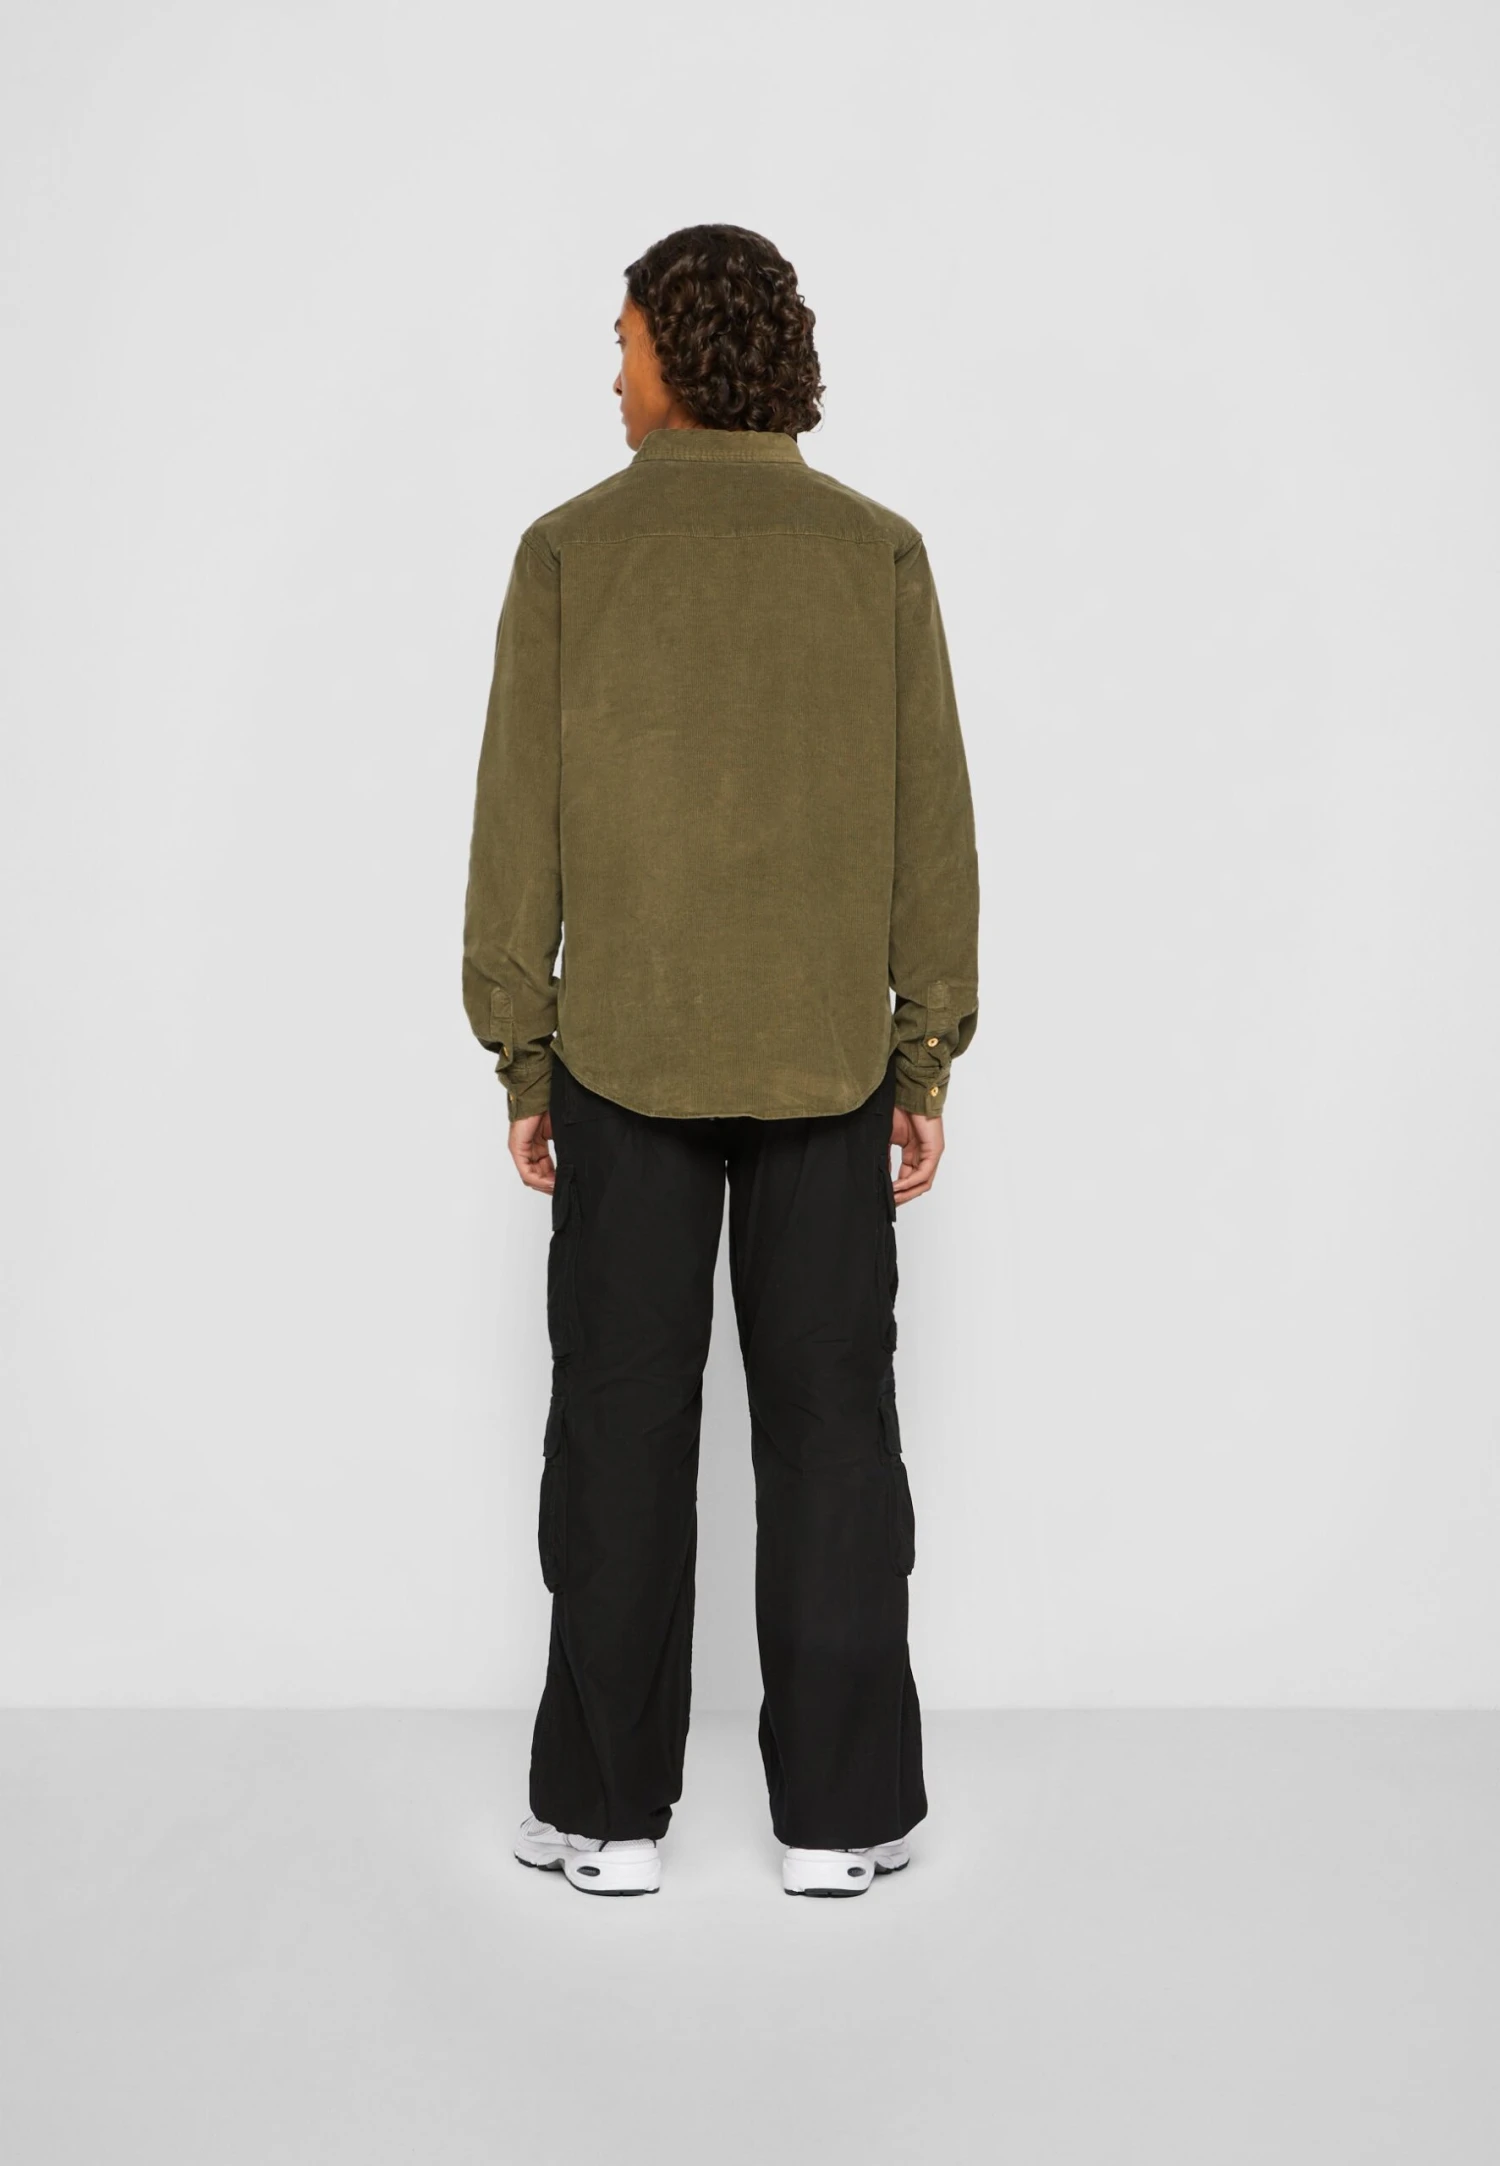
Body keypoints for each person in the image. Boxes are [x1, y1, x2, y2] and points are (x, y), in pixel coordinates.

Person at [462, 224, 980, 1898]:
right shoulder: (878, 552)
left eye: (621, 338)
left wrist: (525, 1057)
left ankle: (607, 1816)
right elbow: (934, 827)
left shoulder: (569, 552)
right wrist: (924, 1053)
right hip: (832, 1060)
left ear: (681, 352)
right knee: (835, 1437)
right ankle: (842, 1818)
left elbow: (516, 833)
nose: (609, 369)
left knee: (619, 1430)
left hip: (624, 1061)